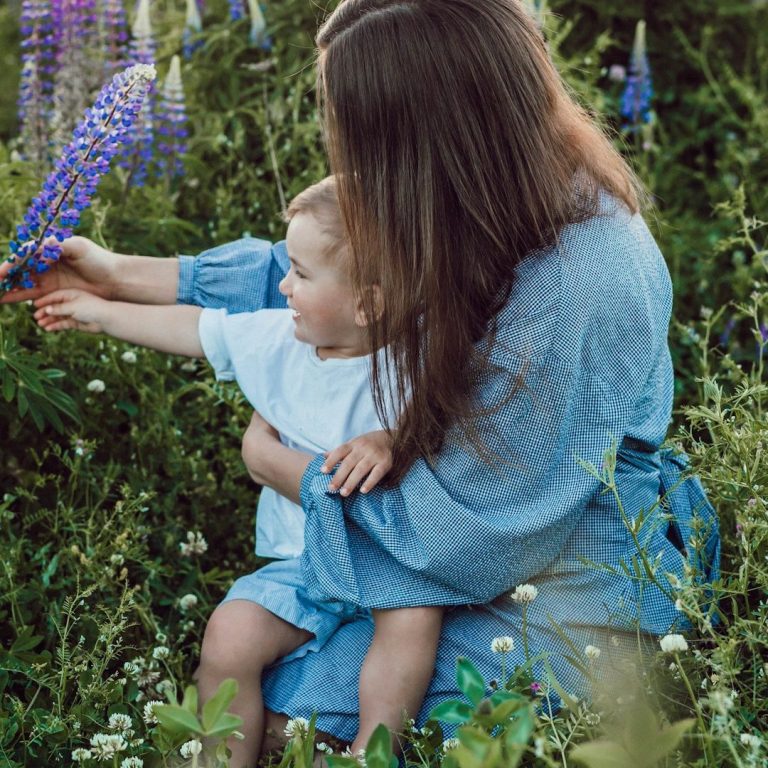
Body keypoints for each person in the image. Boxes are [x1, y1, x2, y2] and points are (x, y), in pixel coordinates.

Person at [2, 0, 720, 764]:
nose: (351, 162)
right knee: (251, 683)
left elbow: (473, 530)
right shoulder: (501, 192)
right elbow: (336, 275)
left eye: (364, 141)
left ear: (433, 139)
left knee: (293, 725)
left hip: (564, 574)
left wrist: (286, 471)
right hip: (453, 534)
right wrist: (121, 276)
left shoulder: (580, 280)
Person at [32, 177, 443, 763]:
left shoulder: (419, 360)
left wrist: (391, 440)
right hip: (302, 564)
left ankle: (374, 751)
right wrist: (96, 311)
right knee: (229, 634)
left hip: (389, 557)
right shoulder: (278, 340)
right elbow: (193, 329)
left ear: (368, 304)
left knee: (413, 622)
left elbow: (453, 423)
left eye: (300, 273)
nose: (283, 285)